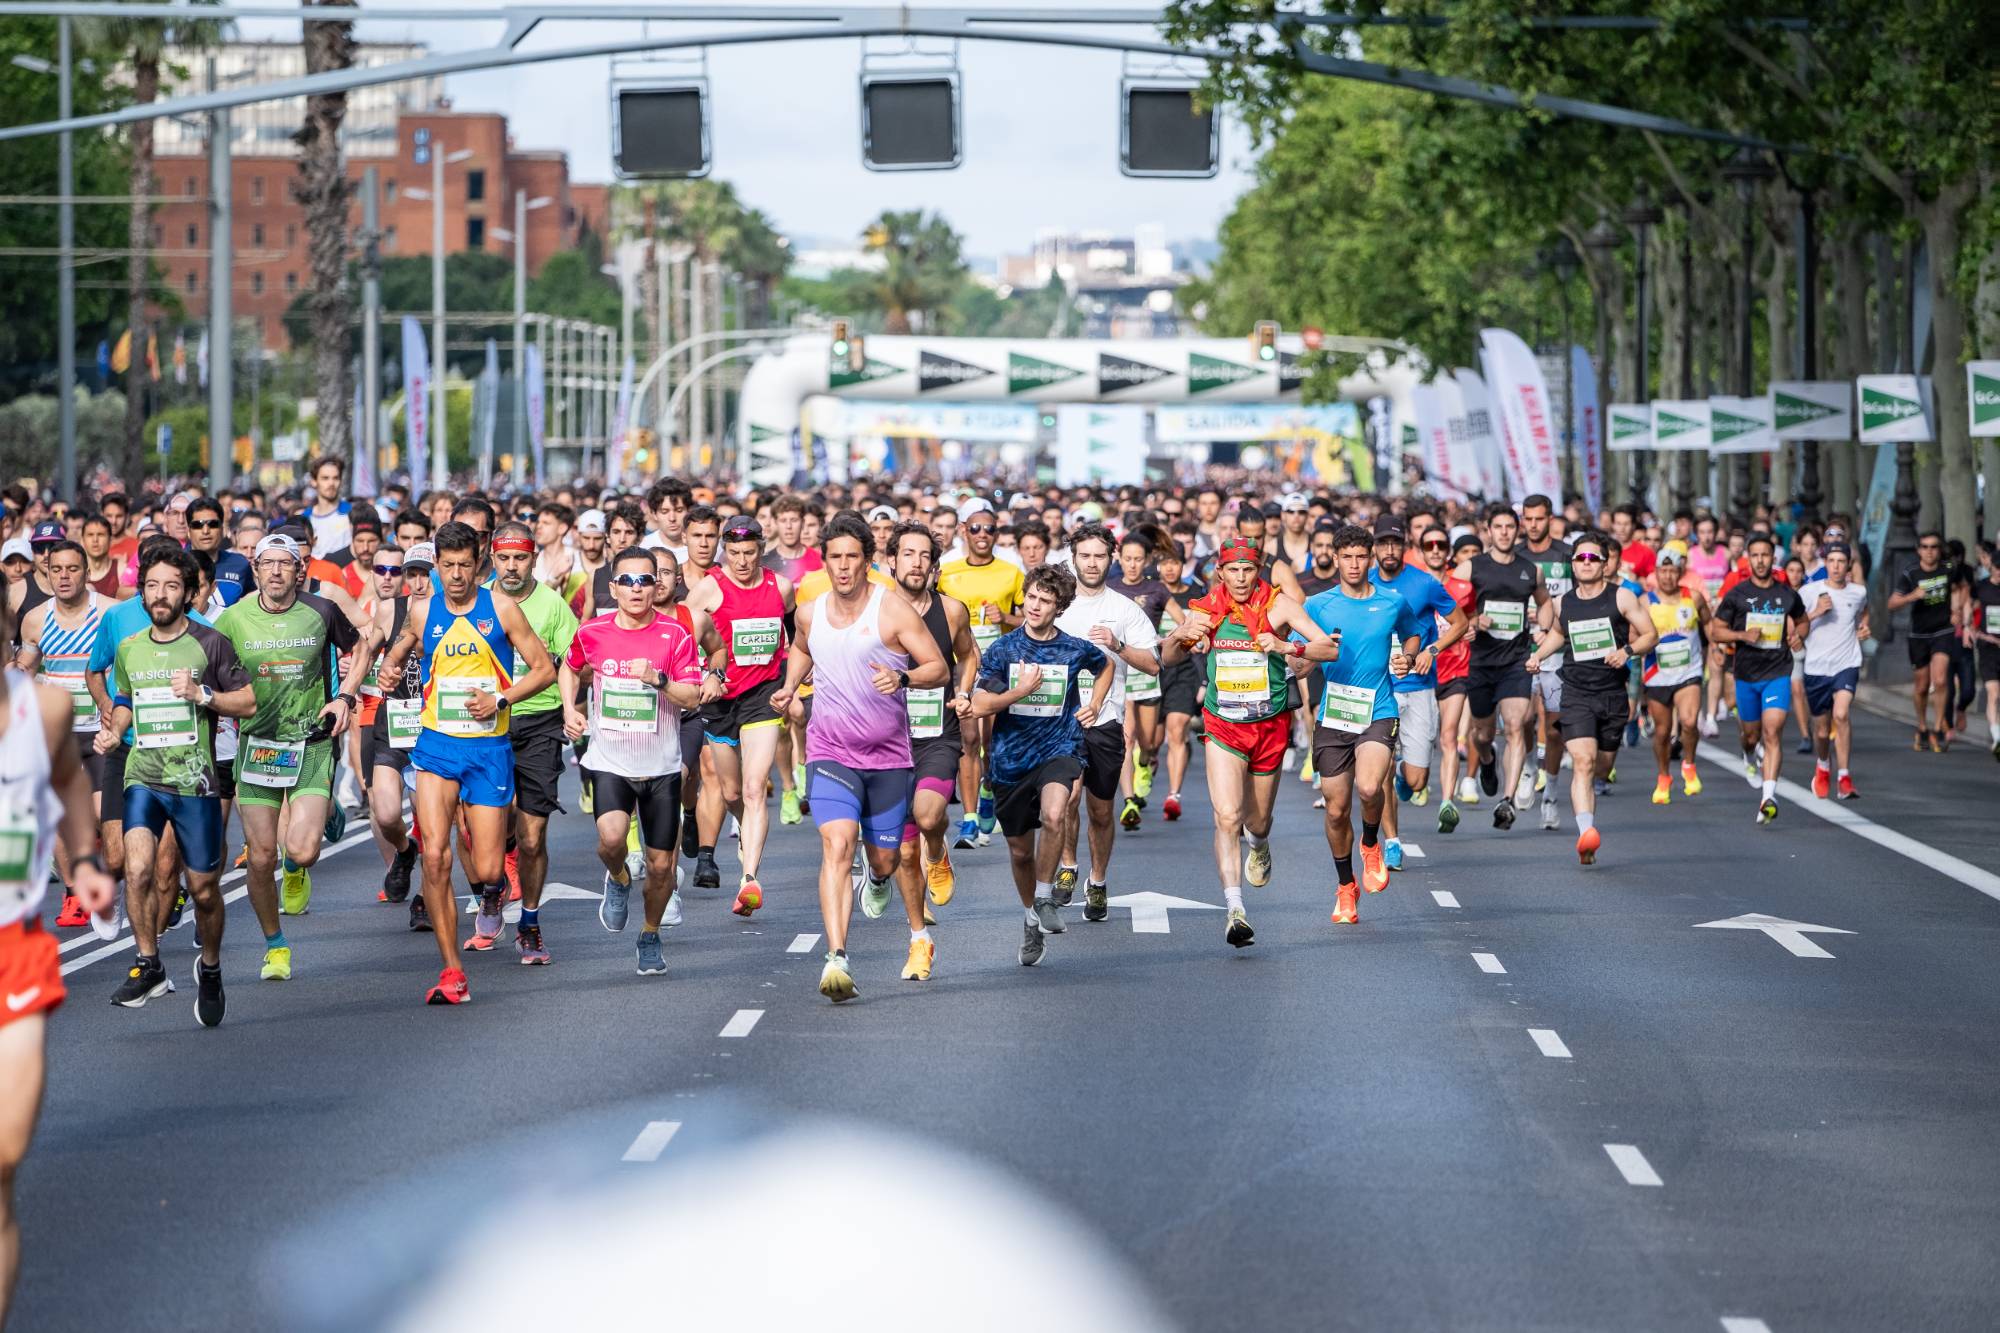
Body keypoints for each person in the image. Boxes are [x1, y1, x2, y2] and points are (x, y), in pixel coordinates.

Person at [375, 521, 557, 1005]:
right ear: (436, 565)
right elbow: (402, 646)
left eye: (464, 566)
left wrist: (500, 699)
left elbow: (543, 670)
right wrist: (390, 666)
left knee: (490, 867)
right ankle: (452, 970)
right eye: (447, 566)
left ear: (478, 564)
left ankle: (494, 885)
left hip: (489, 750)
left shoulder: (501, 608)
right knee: (436, 856)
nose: (456, 575)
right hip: (437, 746)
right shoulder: (422, 610)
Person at [771, 514, 949, 1000]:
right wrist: (790, 686)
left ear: (868, 560)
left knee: (887, 859)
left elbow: (937, 667)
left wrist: (904, 677)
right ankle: (837, 957)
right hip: (830, 752)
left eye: (853, 556)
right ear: (825, 561)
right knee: (837, 845)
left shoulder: (891, 610)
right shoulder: (809, 612)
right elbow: (803, 648)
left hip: (888, 758)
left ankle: (879, 876)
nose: (844, 566)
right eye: (836, 557)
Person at [0, 604, 118, 1327]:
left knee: (3, 1158)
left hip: (13, 948)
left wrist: (83, 859)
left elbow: (72, 780)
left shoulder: (43, 710)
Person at [97, 547, 256, 1013]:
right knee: (137, 869)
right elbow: (125, 698)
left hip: (195, 783)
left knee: (204, 890)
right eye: (151, 585)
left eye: (170, 586)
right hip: (143, 775)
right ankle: (149, 964)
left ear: (188, 593)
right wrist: (116, 730)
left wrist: (202, 694)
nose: (160, 595)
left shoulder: (211, 643)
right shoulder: (130, 647)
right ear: (142, 593)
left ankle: (211, 966)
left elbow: (248, 701)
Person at [214, 533, 375, 982]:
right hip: (256, 746)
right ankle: (275, 946)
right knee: (260, 856)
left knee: (302, 851)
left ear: (299, 570)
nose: (276, 571)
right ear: (255, 570)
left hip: (311, 743)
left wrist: (345, 696)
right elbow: (206, 664)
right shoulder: (233, 618)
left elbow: (362, 646)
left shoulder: (321, 610)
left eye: (285, 563)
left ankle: (303, 851)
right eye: (267, 563)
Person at [1160, 540, 1336, 944]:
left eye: (1248, 570)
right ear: (1220, 573)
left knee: (1256, 822)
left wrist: (1287, 645)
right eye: (1233, 570)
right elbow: (1168, 658)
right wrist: (1181, 635)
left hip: (1270, 726)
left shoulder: (1280, 605)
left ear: (1259, 571)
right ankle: (1235, 909)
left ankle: (1259, 844)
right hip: (1224, 725)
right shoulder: (1205, 609)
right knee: (1227, 817)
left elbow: (1328, 647)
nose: (1240, 578)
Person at [562, 546, 704, 976]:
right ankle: (620, 877)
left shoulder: (676, 635)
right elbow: (568, 666)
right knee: (611, 840)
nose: (637, 588)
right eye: (628, 580)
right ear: (614, 587)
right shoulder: (593, 632)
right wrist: (569, 708)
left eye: (645, 580)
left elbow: (692, 696)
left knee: (661, 867)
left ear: (657, 586)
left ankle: (650, 934)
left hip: (661, 767)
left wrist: (659, 680)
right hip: (611, 762)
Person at [969, 564, 1111, 967]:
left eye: (1045, 601)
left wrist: (1094, 703)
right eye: (1031, 597)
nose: (1035, 606)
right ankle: (1031, 919)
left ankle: (1045, 897)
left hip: (1059, 748)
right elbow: (979, 705)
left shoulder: (1073, 648)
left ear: (1058, 607)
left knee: (1055, 814)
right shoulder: (1004, 650)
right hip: (1011, 758)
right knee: (1019, 854)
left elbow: (1106, 665)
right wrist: (1020, 691)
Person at [1302, 524, 1423, 926]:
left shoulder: (1392, 601)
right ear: (1336, 559)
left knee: (1370, 787)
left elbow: (1413, 634)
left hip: (1378, 708)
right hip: (1334, 713)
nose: (1354, 564)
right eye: (1347, 557)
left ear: (1370, 560)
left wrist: (1407, 657)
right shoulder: (1318, 605)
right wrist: (1298, 660)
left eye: (1360, 557)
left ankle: (1371, 843)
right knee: (1336, 809)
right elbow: (1298, 650)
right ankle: (1345, 886)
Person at [683, 515, 794, 916]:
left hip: (763, 695)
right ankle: (748, 830)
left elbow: (797, 636)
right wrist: (704, 677)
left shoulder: (781, 587)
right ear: (724, 552)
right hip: (721, 699)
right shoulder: (708, 588)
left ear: (761, 549)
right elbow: (682, 641)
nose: (742, 561)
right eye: (734, 553)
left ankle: (749, 878)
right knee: (730, 793)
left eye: (749, 553)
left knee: (753, 788)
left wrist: (793, 680)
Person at [1523, 533, 1657, 865]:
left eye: (1592, 558)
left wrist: (1627, 651)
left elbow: (1651, 635)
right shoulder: (1563, 603)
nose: (1586, 563)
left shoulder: (1622, 597)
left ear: (1604, 564)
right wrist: (1538, 656)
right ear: (1572, 564)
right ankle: (1586, 835)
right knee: (1582, 761)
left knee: (1602, 766)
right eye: (1580, 558)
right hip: (1576, 692)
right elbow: (1558, 633)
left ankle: (1592, 808)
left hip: (1612, 694)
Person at [477, 523, 579, 959]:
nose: (512, 567)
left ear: (534, 559)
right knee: (490, 825)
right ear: (492, 559)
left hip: (539, 723)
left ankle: (530, 923)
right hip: (485, 724)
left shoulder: (552, 605)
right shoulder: (476, 600)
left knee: (533, 836)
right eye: (504, 558)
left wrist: (571, 706)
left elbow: (574, 661)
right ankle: (492, 886)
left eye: (520, 558)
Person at [1052, 524, 1160, 921]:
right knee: (1066, 799)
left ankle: (1097, 881)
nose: (1092, 563)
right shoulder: (1057, 605)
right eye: (1085, 556)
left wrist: (1117, 645)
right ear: (1073, 559)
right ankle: (1068, 865)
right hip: (1061, 721)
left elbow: (1153, 664)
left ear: (1110, 558)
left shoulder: (1124, 609)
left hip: (1106, 720)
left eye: (1099, 556)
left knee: (1100, 811)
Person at [883, 521, 978, 921]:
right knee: (904, 848)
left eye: (925, 556)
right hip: (887, 738)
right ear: (891, 561)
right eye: (908, 554)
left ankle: (937, 853)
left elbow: (969, 655)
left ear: (934, 566)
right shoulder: (875, 611)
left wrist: (964, 692)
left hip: (938, 733)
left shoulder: (951, 611)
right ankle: (917, 923)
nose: (917, 563)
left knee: (928, 815)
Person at [12, 540, 110, 921]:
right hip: (58, 734)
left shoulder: (108, 613)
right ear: (47, 572)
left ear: (87, 572)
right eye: (56, 570)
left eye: (72, 569)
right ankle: (73, 894)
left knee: (102, 815)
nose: (64, 577)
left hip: (100, 730)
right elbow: (28, 664)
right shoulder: (36, 619)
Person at [1369, 515, 1467, 870]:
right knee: (1378, 769)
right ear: (1374, 547)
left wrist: (1432, 650)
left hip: (1420, 687)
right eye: (1383, 543)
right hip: (1380, 689)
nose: (1389, 550)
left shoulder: (1424, 583)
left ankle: (1403, 775)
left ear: (1405, 546)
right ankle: (1392, 842)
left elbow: (1460, 623)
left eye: (1395, 543)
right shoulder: (1363, 584)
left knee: (1416, 779)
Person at [1454, 504, 1550, 830]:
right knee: (1482, 734)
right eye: (1499, 527)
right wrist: (1471, 621)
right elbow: (1448, 604)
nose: (1505, 532)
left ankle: (1506, 801)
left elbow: (1545, 602)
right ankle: (1487, 757)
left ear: (1517, 529)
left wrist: (1543, 625)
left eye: (1510, 526)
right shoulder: (1471, 568)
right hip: (1480, 662)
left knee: (1515, 725)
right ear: (1489, 531)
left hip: (1515, 661)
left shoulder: (1530, 570)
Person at [938, 502, 1025, 848]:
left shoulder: (1011, 572)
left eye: (989, 529)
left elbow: (1030, 621)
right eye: (975, 528)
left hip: (997, 667)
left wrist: (1005, 617)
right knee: (969, 739)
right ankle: (970, 820)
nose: (982, 535)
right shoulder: (947, 573)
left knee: (991, 743)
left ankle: (988, 787)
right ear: (964, 531)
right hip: (961, 666)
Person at [1710, 534, 1808, 825]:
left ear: (1773, 558)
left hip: (1777, 671)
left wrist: (1798, 635)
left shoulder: (1786, 594)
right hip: (1746, 674)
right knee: (1751, 735)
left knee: (1772, 731)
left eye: (1765, 555)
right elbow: (1716, 630)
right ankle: (1749, 754)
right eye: (1755, 555)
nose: (1760, 560)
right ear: (1748, 559)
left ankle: (1768, 797)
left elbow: (1803, 620)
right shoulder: (1737, 594)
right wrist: (1742, 635)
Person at [364, 542, 427, 915]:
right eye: (412, 574)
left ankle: (426, 899)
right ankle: (404, 852)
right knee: (386, 814)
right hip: (393, 725)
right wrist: (348, 691)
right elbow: (367, 652)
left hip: (433, 729)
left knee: (430, 823)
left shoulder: (452, 613)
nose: (418, 582)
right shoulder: (390, 610)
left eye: (425, 574)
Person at [1638, 543, 1710, 804]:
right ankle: (1664, 776)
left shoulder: (1694, 597)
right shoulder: (1645, 602)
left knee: (1689, 722)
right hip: (1657, 674)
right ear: (1656, 572)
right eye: (1663, 571)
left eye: (1672, 571)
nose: (1668, 576)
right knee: (1662, 731)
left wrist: (1718, 646)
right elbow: (1634, 636)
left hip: (1689, 671)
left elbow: (1709, 624)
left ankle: (1689, 764)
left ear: (1680, 572)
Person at [1800, 542, 1870, 799]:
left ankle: (1844, 777)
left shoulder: (1858, 592)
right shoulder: (1808, 592)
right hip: (1816, 666)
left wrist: (1864, 627)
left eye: (1841, 561)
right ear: (1825, 564)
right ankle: (1823, 765)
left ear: (1848, 565)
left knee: (1841, 715)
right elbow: (1795, 624)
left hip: (1846, 663)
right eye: (1831, 561)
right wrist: (1817, 612)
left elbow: (1864, 613)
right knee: (1821, 731)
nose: (1836, 566)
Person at [1887, 532, 1967, 752]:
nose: (1929, 551)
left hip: (1943, 630)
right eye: (1925, 547)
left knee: (1940, 680)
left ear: (1939, 550)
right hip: (1919, 634)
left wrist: (1958, 610)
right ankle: (1922, 726)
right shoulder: (1911, 572)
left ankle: (1939, 727)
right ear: (1918, 550)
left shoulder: (1949, 568)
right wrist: (1912, 596)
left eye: (1933, 547)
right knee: (1922, 686)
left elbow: (1963, 587)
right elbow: (1892, 603)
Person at [1430, 529, 1479, 833]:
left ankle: (1447, 802)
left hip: (1456, 668)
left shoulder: (1462, 587)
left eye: (1440, 545)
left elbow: (1472, 616)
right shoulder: (1413, 584)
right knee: (1421, 741)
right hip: (1421, 673)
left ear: (1447, 551)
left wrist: (1473, 626)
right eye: (1429, 545)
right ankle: (1410, 778)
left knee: (1449, 736)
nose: (1435, 550)